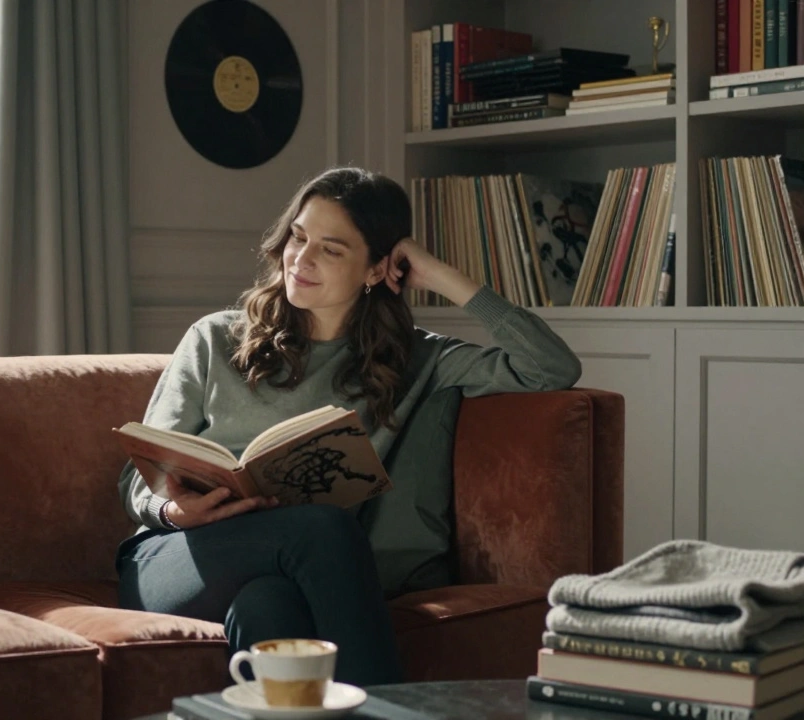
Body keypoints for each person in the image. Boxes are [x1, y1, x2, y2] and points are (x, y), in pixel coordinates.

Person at [114, 167, 582, 686]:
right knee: (322, 527)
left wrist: (441, 275)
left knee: (268, 607)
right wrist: (173, 509)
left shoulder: (415, 360)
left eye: (331, 250)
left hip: (285, 572)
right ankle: (387, 707)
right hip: (177, 553)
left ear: (376, 269)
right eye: (298, 236)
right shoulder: (214, 340)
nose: (301, 258)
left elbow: (551, 366)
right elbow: (138, 478)